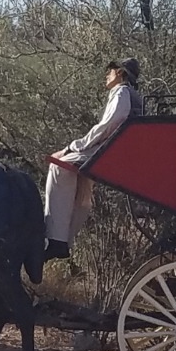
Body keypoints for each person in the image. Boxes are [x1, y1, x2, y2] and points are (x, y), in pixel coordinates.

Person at [43, 58, 144, 260]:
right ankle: (65, 240)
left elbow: (107, 126)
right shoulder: (133, 96)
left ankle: (56, 240)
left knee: (59, 167)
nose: (107, 74)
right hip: (118, 150)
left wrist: (72, 147)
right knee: (84, 184)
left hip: (110, 151)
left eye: (111, 71)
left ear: (120, 74)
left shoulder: (122, 93)